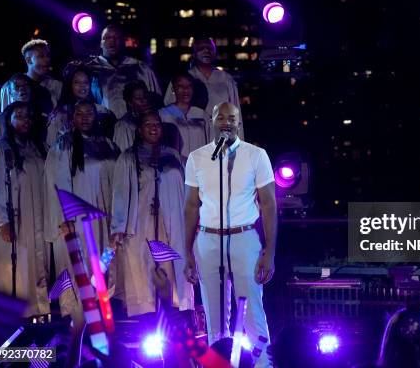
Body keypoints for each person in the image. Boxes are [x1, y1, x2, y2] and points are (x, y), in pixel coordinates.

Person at [183, 102, 276, 368]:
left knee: (252, 312)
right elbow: (191, 206)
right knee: (214, 315)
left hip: (244, 236)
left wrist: (269, 251)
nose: (226, 122)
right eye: (220, 117)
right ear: (212, 120)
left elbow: (269, 204)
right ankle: (218, 365)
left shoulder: (256, 155)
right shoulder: (197, 157)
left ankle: (263, 366)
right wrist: (187, 250)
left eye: (231, 118)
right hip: (208, 238)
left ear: (238, 122)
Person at [111, 111, 193, 316]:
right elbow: (120, 192)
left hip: (170, 220)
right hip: (141, 222)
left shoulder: (172, 155)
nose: (154, 127)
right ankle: (146, 316)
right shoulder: (129, 157)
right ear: (139, 130)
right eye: (148, 124)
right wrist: (119, 226)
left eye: (157, 123)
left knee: (170, 264)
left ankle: (173, 312)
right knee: (143, 266)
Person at [44, 100, 119, 317]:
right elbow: (57, 183)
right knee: (79, 263)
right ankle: (76, 318)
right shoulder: (64, 145)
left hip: (103, 214)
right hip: (77, 218)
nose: (85, 117)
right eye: (79, 113)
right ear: (72, 117)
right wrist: (63, 217)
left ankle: (98, 311)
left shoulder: (108, 144)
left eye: (90, 113)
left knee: (102, 263)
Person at [0, 101, 49, 316]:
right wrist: (2, 221)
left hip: (36, 216)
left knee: (35, 266)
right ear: (8, 120)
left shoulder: (35, 147)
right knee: (16, 270)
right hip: (14, 219)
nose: (25, 120)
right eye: (19, 116)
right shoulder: (1, 148)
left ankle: (37, 315)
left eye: (28, 116)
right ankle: (15, 320)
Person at [164, 37, 243, 140]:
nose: (206, 51)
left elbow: (236, 114)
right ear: (194, 53)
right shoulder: (183, 79)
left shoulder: (226, 80)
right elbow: (169, 108)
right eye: (201, 48)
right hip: (190, 138)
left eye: (210, 48)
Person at [86, 25, 161, 118]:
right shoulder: (90, 69)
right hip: (102, 127)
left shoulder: (141, 68)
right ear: (101, 43)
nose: (112, 41)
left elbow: (156, 101)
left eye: (117, 37)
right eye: (108, 37)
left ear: (124, 42)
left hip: (137, 126)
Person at [47, 64, 116, 146]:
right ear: (70, 85)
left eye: (85, 82)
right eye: (77, 82)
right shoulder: (60, 114)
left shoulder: (102, 111)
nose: (82, 86)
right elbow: (52, 144)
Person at [159, 72, 208, 165]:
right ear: (173, 89)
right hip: (175, 167)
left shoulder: (201, 114)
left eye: (189, 86)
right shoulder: (163, 114)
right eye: (180, 86)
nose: (186, 90)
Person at [0, 39, 61, 111]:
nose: (47, 59)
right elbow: (5, 116)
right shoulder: (9, 87)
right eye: (41, 56)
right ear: (28, 60)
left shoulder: (56, 85)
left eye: (48, 55)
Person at [0, 73, 32, 149]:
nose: (22, 89)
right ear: (10, 92)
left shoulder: (36, 117)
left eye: (26, 85)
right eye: (17, 86)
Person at [113, 80, 152, 152]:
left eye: (145, 96)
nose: (144, 100)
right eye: (138, 98)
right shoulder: (124, 125)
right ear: (130, 102)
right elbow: (124, 153)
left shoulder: (155, 118)